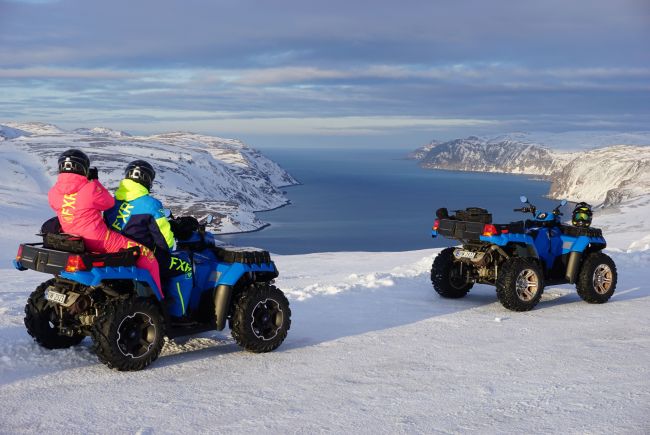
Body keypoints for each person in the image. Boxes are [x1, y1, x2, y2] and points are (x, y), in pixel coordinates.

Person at [48, 149, 162, 296]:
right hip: (100, 240)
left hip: (73, 239)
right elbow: (108, 203)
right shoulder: (90, 188)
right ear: (83, 168)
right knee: (148, 256)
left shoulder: (53, 192)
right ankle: (159, 301)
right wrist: (94, 181)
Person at [104, 160, 192, 318]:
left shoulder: (112, 202)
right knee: (184, 266)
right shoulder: (151, 204)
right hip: (141, 257)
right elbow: (167, 242)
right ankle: (178, 315)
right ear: (147, 180)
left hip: (114, 255)